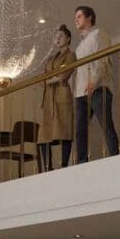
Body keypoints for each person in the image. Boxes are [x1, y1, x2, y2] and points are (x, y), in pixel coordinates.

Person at [72, 5, 117, 164]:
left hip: (98, 88)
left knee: (106, 123)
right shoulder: (78, 47)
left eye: (79, 16)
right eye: (75, 17)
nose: (76, 20)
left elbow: (102, 58)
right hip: (80, 92)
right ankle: (81, 163)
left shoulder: (99, 34)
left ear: (89, 17)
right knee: (80, 131)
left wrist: (94, 80)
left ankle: (115, 158)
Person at [39, 25, 76, 170]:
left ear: (68, 38)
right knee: (43, 134)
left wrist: (52, 79)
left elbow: (64, 74)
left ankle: (64, 165)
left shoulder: (70, 55)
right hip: (48, 97)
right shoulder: (50, 58)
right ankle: (48, 167)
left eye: (61, 36)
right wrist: (50, 79)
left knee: (64, 129)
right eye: (56, 36)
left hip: (61, 93)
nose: (58, 39)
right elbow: (42, 78)